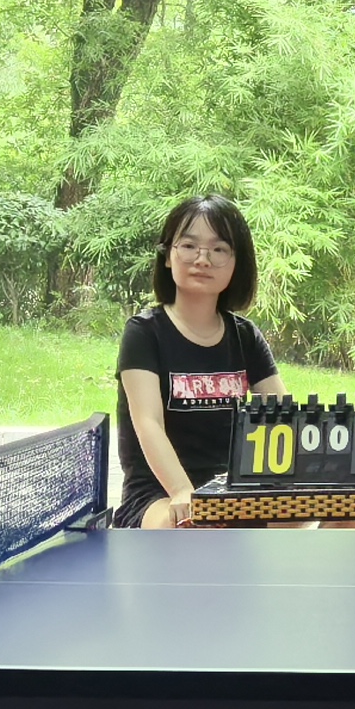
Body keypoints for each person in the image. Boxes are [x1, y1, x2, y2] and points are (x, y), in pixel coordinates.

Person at [114, 193, 280, 525]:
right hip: (160, 495)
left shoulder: (246, 336)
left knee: (342, 513)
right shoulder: (143, 333)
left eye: (219, 249)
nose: (202, 259)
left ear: (236, 263)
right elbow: (148, 423)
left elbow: (281, 417)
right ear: (167, 256)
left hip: (236, 494)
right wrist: (183, 492)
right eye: (189, 246)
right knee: (187, 527)